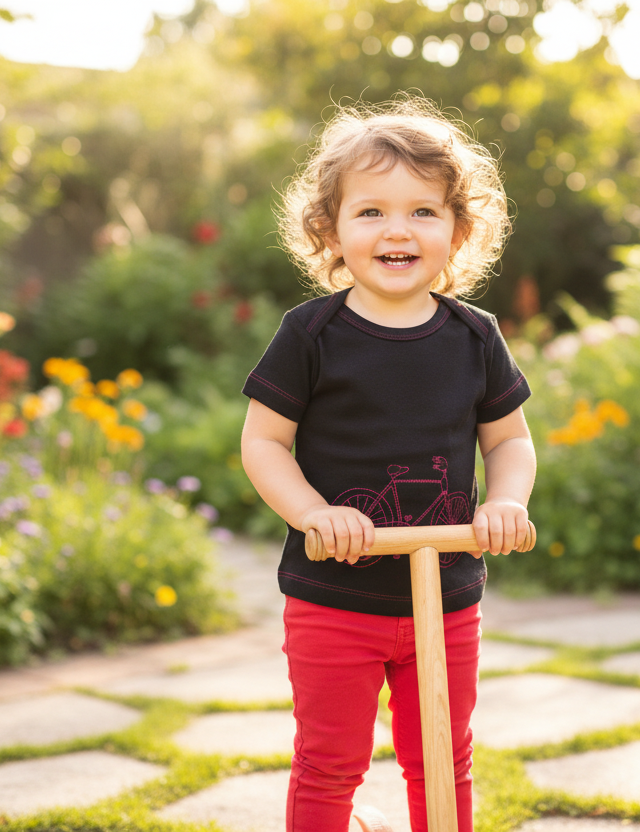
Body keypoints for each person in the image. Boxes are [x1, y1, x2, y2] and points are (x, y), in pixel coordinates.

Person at [240, 94, 536, 832]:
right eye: (370, 211)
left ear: (458, 231)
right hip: (332, 597)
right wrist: (314, 513)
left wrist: (506, 501)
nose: (396, 229)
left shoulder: (475, 337)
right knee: (329, 758)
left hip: (447, 592)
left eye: (422, 212)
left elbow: (509, 441)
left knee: (442, 754)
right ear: (330, 231)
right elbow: (263, 442)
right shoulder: (310, 334)